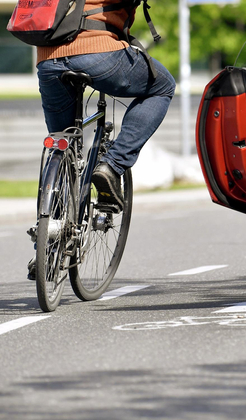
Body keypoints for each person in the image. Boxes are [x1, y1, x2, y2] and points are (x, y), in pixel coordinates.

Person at [28, 0, 176, 279]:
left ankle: (47, 242)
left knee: (63, 142)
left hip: (47, 59)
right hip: (98, 53)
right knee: (163, 86)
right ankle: (112, 165)